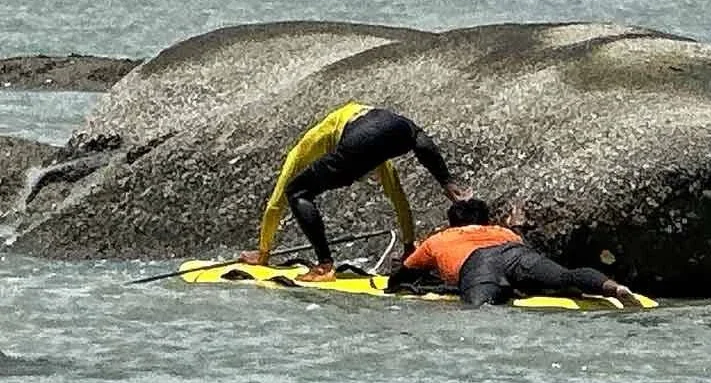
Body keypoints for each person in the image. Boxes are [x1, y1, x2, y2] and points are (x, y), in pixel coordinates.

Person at [239, 100, 470, 281]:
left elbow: (276, 203)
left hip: (359, 136)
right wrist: (409, 245)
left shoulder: (306, 146)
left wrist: (264, 252)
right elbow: (399, 197)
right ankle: (450, 185)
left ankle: (323, 267)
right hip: (396, 123)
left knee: (296, 191)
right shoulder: (376, 154)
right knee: (415, 135)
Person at [387, 199, 642, 307]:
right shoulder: (504, 232)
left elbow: (405, 273)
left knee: (480, 311)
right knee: (566, 277)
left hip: (477, 265)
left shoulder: (439, 239)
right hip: (515, 252)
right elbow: (525, 246)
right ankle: (613, 288)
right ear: (486, 220)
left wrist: (391, 287)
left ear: (453, 222)